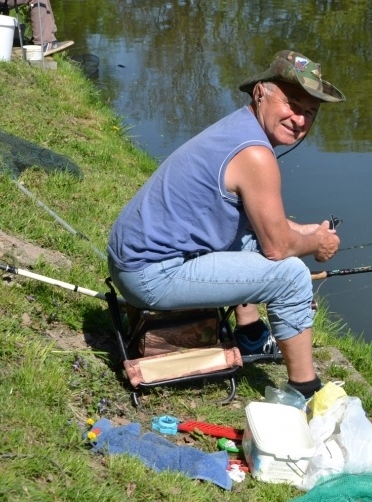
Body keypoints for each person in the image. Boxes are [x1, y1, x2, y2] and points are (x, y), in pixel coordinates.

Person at [107, 50, 346, 400]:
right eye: (292, 103)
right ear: (261, 92)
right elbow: (278, 247)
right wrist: (317, 244)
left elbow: (267, 226)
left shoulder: (238, 127)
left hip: (130, 260)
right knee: (291, 276)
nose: (299, 119)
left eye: (310, 112)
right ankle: (306, 392)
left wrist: (310, 232)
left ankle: (249, 331)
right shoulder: (255, 154)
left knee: (250, 235)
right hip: (149, 274)